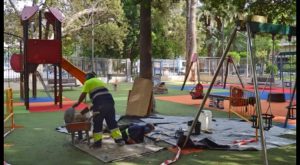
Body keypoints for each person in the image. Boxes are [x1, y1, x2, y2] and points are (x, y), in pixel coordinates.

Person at [72, 72, 125, 148]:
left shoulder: (88, 82)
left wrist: (77, 103)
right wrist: (94, 106)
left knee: (97, 122)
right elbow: (101, 94)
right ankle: (119, 140)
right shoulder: (99, 81)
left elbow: (83, 94)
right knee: (112, 122)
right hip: (110, 102)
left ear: (87, 78)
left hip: (100, 104)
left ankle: (97, 143)